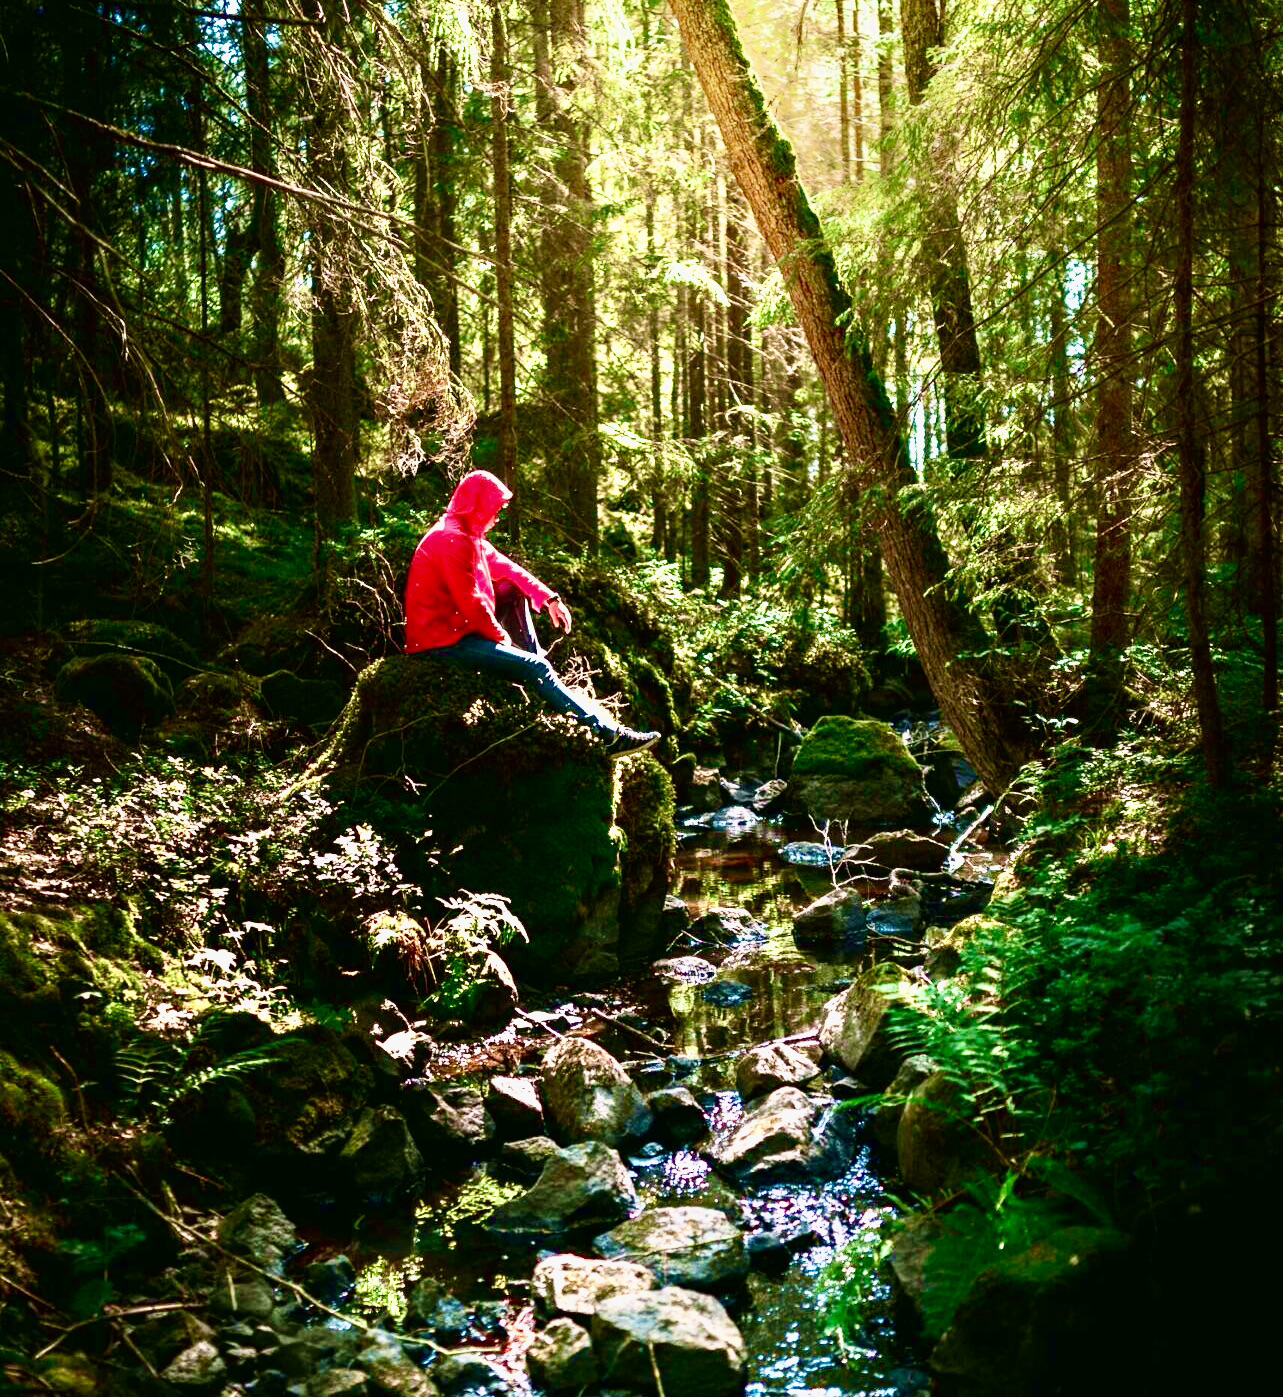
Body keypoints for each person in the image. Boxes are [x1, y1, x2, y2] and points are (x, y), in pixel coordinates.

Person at [405, 470, 660, 757]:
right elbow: (471, 603)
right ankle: (607, 736)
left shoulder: (465, 533)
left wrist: (550, 598)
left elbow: (509, 569)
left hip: (458, 630)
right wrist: (502, 640)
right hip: (441, 641)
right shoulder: (453, 540)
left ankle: (534, 663)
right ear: (477, 507)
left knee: (512, 593)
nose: (497, 517)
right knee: (535, 669)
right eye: (494, 510)